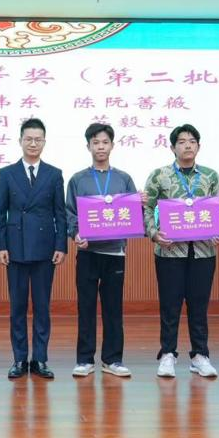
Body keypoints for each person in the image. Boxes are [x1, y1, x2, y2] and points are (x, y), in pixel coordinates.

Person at [142, 124, 219, 379]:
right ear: (172, 147)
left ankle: (200, 355)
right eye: (181, 141)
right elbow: (145, 207)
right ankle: (168, 354)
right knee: (170, 305)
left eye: (192, 141)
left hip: (203, 252)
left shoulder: (210, 176)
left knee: (199, 305)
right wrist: (154, 233)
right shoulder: (159, 175)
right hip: (169, 253)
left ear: (198, 146)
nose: (187, 145)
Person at [0, 118, 67, 380]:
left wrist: (61, 245)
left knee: (42, 307)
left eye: (38, 139)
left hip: (45, 249)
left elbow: (61, 213)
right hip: (14, 249)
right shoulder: (7, 173)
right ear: (20, 141)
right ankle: (18, 359)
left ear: (44, 142)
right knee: (17, 307)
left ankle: (40, 359)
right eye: (29, 139)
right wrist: (0, 245)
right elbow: (0, 213)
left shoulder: (54, 174)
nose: (33, 143)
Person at [66, 123, 140, 378]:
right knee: (85, 307)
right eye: (95, 142)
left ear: (112, 145)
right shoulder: (78, 179)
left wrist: (139, 203)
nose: (100, 147)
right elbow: (70, 213)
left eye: (105, 142)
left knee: (113, 308)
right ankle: (85, 359)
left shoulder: (123, 178)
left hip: (114, 253)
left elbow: (134, 214)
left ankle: (113, 359)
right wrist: (76, 233)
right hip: (87, 253)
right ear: (88, 146)